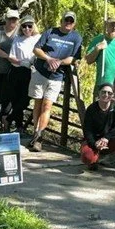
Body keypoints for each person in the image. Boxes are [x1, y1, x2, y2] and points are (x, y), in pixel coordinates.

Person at [28, 11, 83, 152]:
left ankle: (39, 137)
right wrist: (48, 59)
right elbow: (36, 49)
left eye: (71, 21)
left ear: (74, 23)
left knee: (47, 106)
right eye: (66, 20)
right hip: (41, 71)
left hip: (57, 76)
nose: (68, 23)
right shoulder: (50, 32)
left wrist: (59, 62)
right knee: (38, 104)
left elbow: (74, 58)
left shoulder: (76, 37)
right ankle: (35, 133)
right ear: (61, 20)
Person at [81, 83, 115, 176]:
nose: (106, 95)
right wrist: (94, 143)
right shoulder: (91, 109)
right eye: (103, 92)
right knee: (87, 157)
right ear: (98, 94)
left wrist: (107, 137)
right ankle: (94, 161)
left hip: (109, 141)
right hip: (95, 141)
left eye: (109, 93)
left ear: (112, 95)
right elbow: (87, 130)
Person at [2, 15, 40, 133]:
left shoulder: (39, 38)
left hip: (31, 72)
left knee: (25, 100)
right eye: (24, 26)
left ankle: (8, 119)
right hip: (17, 71)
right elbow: (11, 56)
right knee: (16, 99)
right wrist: (21, 62)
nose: (27, 29)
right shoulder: (18, 39)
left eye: (30, 26)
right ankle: (19, 126)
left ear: (34, 26)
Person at [86, 16, 115, 100]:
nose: (114, 28)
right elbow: (88, 60)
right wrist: (98, 48)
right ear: (106, 25)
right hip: (101, 83)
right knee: (99, 111)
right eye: (111, 24)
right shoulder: (98, 40)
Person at [0, 9, 20, 130]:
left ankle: (5, 120)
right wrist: (8, 56)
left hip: (12, 71)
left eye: (15, 19)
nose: (12, 21)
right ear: (6, 19)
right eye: (10, 18)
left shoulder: (21, 31)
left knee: (9, 97)